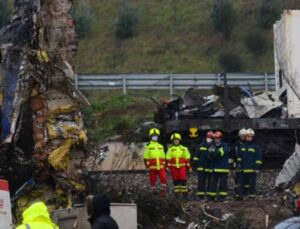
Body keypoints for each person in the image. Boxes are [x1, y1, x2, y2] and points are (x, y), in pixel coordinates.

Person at [237, 129, 262, 199]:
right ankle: (241, 195)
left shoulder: (256, 147)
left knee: (252, 183)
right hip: (243, 168)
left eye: (250, 137)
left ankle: (251, 195)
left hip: (252, 169)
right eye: (247, 136)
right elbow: (239, 157)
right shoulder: (242, 146)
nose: (249, 138)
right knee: (241, 183)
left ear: (252, 137)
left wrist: (257, 167)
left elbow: (258, 159)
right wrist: (238, 164)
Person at [143, 128, 167, 196]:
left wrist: (164, 165)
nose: (155, 136)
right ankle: (153, 191)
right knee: (152, 179)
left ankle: (163, 191)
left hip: (161, 166)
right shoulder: (148, 146)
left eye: (156, 135)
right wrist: (147, 165)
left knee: (164, 178)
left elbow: (163, 156)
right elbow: (145, 156)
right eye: (153, 135)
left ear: (158, 136)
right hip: (152, 167)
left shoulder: (160, 146)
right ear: (151, 136)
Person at [208, 131, 230, 201]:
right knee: (212, 183)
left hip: (223, 169)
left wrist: (215, 152)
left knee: (223, 184)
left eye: (218, 138)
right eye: (215, 138)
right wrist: (214, 153)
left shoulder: (225, 145)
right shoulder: (212, 146)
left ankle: (222, 197)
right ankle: (212, 197)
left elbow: (221, 153)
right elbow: (209, 156)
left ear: (220, 138)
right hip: (214, 168)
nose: (216, 139)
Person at [193, 131, 214, 199]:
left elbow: (213, 156)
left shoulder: (213, 146)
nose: (209, 139)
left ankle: (209, 195)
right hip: (201, 167)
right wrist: (195, 162)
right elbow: (196, 155)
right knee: (201, 181)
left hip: (209, 167)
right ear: (206, 137)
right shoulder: (201, 145)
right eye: (208, 137)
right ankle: (201, 195)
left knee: (210, 182)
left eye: (211, 137)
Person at [232, 128, 247, 198]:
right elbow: (234, 154)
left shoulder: (247, 144)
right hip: (238, 164)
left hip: (246, 164)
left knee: (245, 179)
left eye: (244, 136)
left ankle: (244, 193)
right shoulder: (237, 144)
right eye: (242, 136)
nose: (243, 137)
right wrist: (233, 163)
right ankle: (238, 193)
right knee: (238, 179)